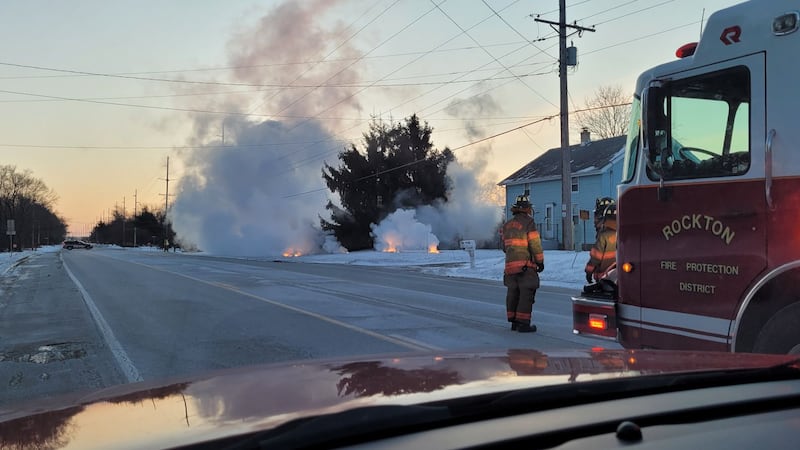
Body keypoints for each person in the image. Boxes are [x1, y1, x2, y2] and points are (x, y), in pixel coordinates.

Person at [501, 195, 544, 333]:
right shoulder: (529, 223)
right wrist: (540, 261)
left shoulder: (507, 225)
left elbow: (504, 247)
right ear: (527, 209)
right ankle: (523, 323)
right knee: (526, 293)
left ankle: (514, 322)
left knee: (513, 292)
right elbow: (535, 244)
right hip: (525, 266)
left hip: (510, 267)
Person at [585, 201, 617, 284]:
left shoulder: (604, 235)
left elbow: (596, 257)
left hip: (604, 276)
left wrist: (589, 271)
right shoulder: (626, 234)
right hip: (620, 276)